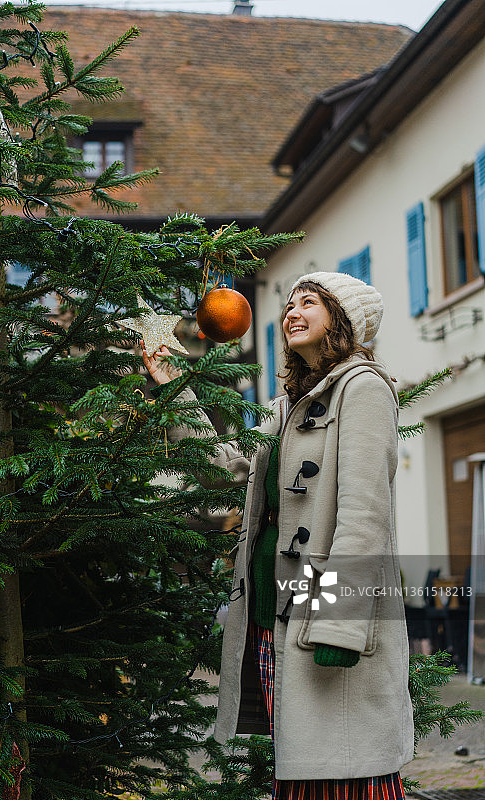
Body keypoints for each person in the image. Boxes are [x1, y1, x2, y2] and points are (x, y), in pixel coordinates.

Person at [142, 272, 414, 800]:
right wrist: (174, 384)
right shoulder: (288, 404)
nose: (292, 310)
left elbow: (365, 519)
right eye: (289, 302)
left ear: (343, 319)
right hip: (273, 612)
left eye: (309, 302)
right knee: (303, 769)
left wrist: (340, 625)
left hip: (322, 615)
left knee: (344, 768)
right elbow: (230, 471)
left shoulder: (362, 388)